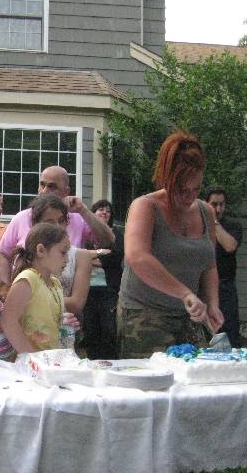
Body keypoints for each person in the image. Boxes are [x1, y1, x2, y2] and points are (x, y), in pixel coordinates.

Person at [119, 132, 223, 358]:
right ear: (167, 180)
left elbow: (209, 265)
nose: (190, 197)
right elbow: (137, 257)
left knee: (197, 373)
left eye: (196, 189)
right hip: (144, 313)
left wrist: (212, 303)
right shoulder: (145, 206)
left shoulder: (206, 211)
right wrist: (184, 293)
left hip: (188, 316)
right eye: (182, 190)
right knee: (157, 376)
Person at [0, 165, 114, 254]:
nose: (44, 191)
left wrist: (83, 210)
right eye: (42, 185)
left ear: (66, 191)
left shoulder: (78, 219)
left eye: (51, 186)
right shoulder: (21, 218)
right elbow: (3, 255)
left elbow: (108, 241)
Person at [1, 223, 70, 353]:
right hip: (33, 361)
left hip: (52, 358)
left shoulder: (55, 283)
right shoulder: (27, 280)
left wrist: (65, 319)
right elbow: (8, 322)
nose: (67, 260)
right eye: (63, 252)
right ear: (41, 250)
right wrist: (33, 357)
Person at [81, 200, 124, 359]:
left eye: (108, 211)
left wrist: (89, 257)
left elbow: (116, 257)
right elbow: (77, 255)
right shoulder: (85, 233)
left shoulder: (115, 234)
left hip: (109, 289)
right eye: (100, 209)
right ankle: (93, 360)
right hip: (87, 289)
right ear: (93, 213)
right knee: (90, 327)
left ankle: (110, 360)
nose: (105, 213)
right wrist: (100, 253)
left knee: (109, 327)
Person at [205, 185, 243, 347]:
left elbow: (230, 246)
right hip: (202, 287)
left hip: (225, 287)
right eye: (214, 204)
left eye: (222, 204)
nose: (219, 209)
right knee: (204, 334)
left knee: (229, 333)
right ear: (206, 204)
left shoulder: (233, 226)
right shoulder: (197, 224)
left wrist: (213, 221)